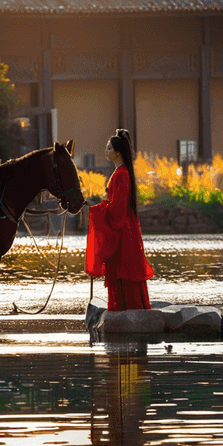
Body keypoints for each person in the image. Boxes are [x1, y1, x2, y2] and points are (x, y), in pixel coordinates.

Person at [85, 129, 154, 311]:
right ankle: (130, 310)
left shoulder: (121, 174)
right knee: (124, 272)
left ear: (117, 152)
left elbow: (118, 209)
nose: (106, 151)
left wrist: (98, 209)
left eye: (109, 148)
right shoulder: (121, 172)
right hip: (126, 228)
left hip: (123, 232)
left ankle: (126, 311)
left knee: (123, 271)